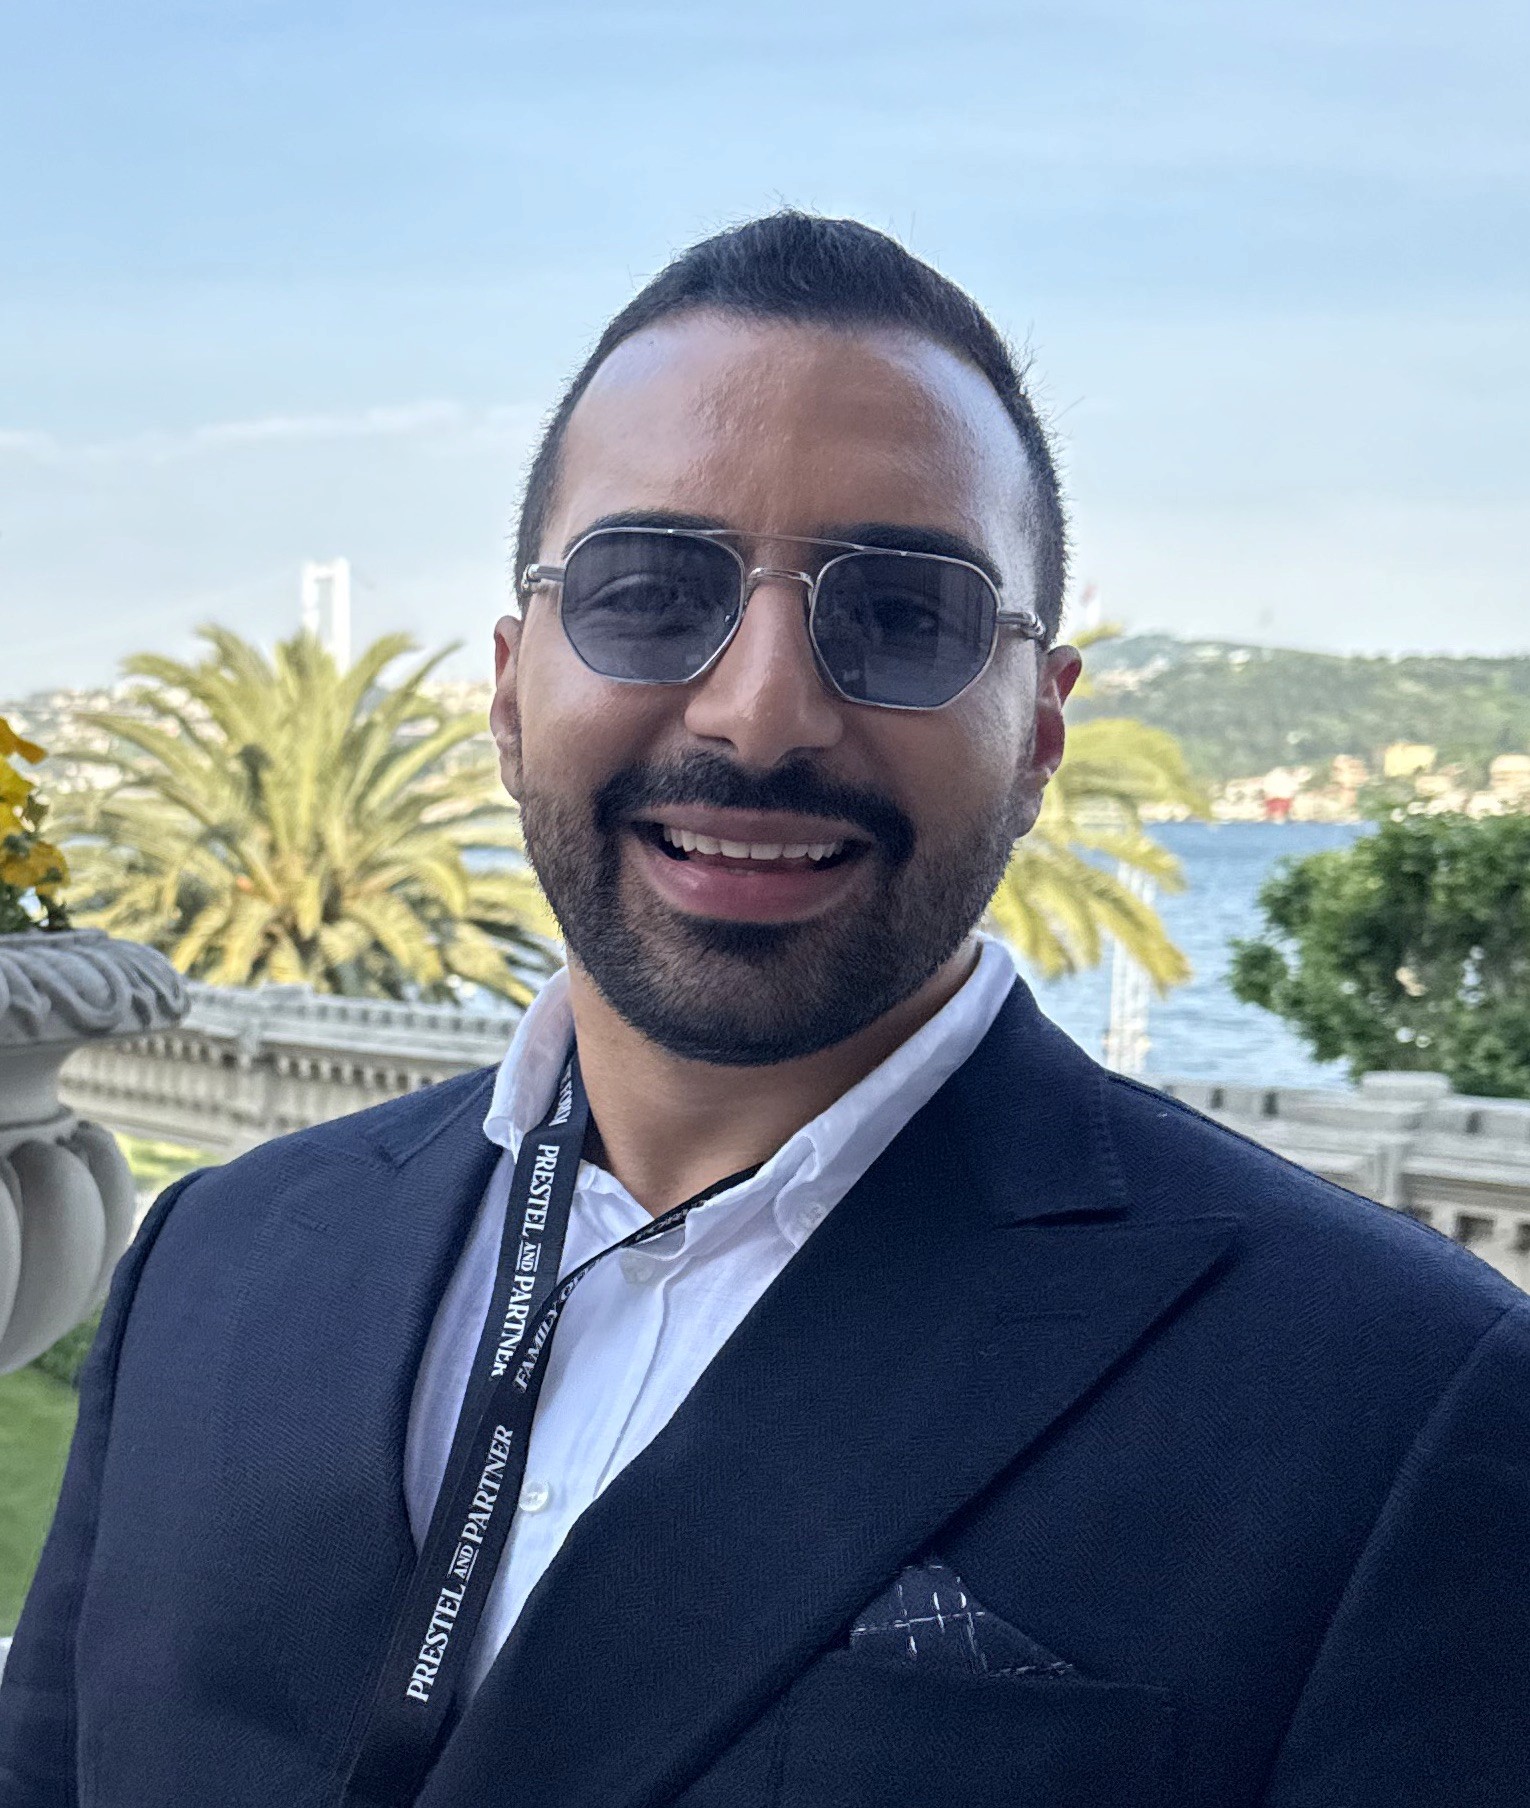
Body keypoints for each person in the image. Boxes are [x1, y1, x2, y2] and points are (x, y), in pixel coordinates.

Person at [2, 213, 1526, 1808]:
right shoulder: (218, 1259)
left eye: (900, 613)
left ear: (1038, 731)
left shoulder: (1399, 1403)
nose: (759, 709)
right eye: (651, 592)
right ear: (513, 688)